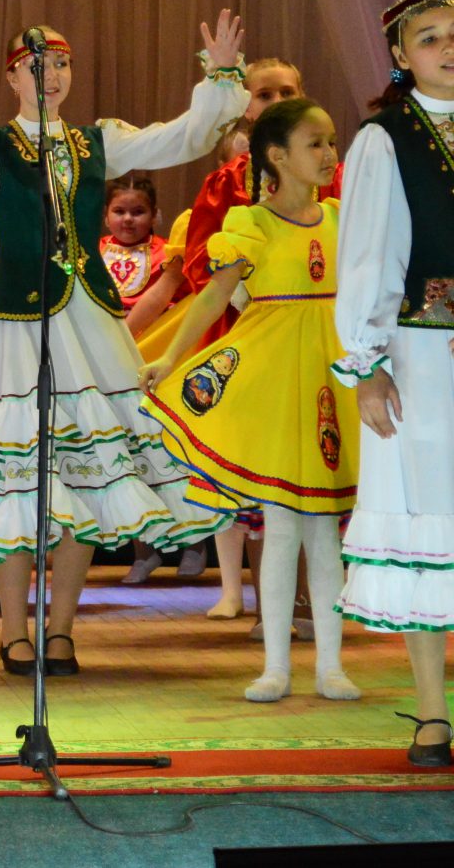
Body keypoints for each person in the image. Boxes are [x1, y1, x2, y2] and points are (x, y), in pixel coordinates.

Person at [0, 0, 245, 676]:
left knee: (90, 475)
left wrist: (220, 80)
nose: (50, 76)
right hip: (21, 330)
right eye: (36, 65)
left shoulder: (98, 141)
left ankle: (62, 630)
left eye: (61, 65)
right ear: (12, 76)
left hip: (91, 326)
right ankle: (14, 631)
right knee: (20, 482)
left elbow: (181, 137)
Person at [142, 98, 358, 702]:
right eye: (315, 144)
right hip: (272, 378)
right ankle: (275, 667)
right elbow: (214, 297)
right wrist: (171, 358)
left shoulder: (340, 217)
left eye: (332, 142)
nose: (329, 154)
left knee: (325, 531)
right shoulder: (250, 224)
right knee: (284, 526)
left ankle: (331, 665)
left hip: (330, 377)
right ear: (277, 156)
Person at [332, 0, 454, 768]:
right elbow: (370, 255)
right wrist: (367, 365)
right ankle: (433, 712)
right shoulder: (385, 139)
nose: (449, 47)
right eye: (431, 36)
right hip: (421, 358)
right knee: (426, 520)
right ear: (403, 55)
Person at [104, 174, 208, 585]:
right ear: (105, 215)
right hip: (112, 364)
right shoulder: (91, 256)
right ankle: (144, 550)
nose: (128, 219)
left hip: (160, 368)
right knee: (130, 459)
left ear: (155, 215)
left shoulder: (169, 255)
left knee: (172, 457)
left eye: (138, 211)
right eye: (119, 211)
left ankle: (194, 543)